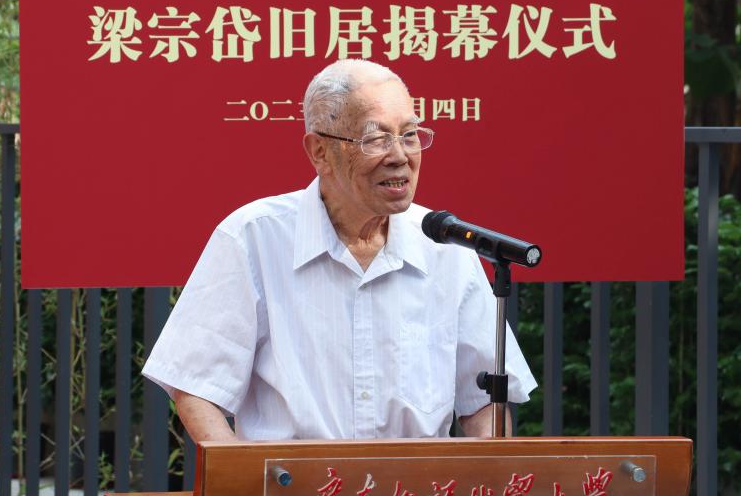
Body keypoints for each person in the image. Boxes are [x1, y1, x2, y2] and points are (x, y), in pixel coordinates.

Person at [142, 59, 536, 442]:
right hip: (290, 483)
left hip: (413, 486)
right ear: (319, 152)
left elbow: (483, 401)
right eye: (376, 139)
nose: (399, 156)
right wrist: (239, 477)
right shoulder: (253, 238)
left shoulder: (446, 248)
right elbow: (195, 385)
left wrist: (488, 468)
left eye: (409, 135)